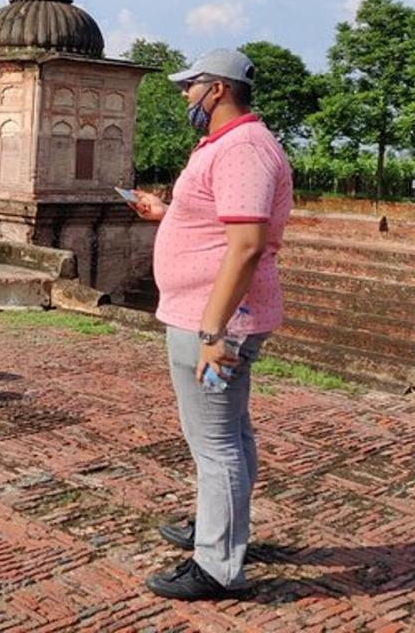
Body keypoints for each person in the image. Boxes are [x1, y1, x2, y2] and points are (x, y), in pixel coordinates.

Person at [129, 49, 293, 600]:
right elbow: (221, 223)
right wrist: (165, 212)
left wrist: (212, 332)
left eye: (190, 86)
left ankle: (217, 565)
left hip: (218, 320)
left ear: (216, 90)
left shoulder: (244, 149)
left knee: (216, 443)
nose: (184, 96)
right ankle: (218, 527)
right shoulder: (229, 145)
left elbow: (246, 247)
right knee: (231, 433)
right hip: (210, 313)